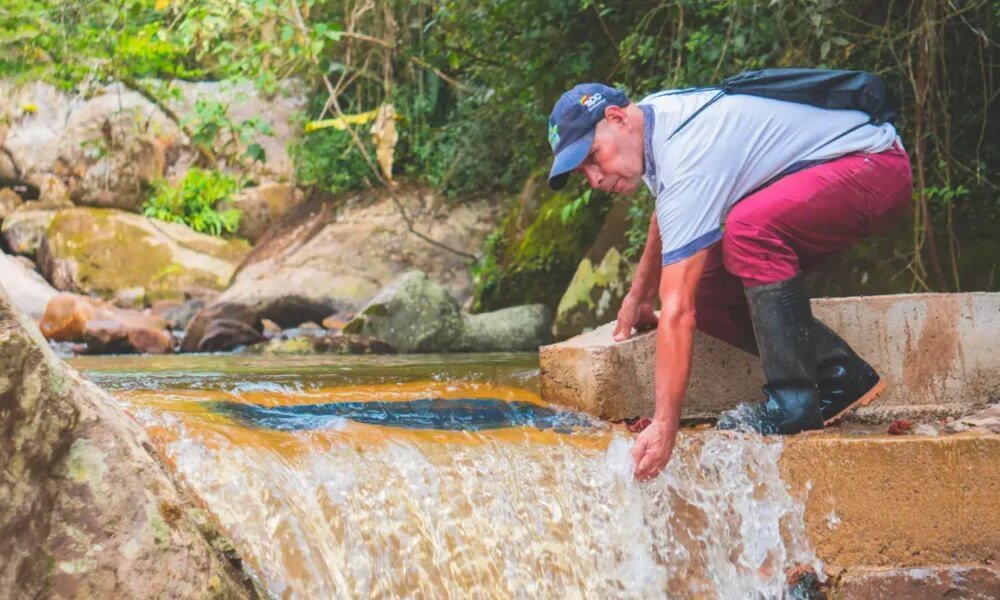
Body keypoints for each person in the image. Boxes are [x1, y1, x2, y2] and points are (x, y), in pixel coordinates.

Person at [546, 82, 912, 480]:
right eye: (584, 172)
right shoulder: (652, 123)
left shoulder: (686, 151)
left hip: (873, 167)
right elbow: (665, 214)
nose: (595, 179)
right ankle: (840, 374)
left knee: (748, 229)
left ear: (617, 118)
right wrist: (639, 294)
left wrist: (665, 425)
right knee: (707, 288)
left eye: (594, 157)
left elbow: (679, 313)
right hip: (836, 176)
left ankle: (794, 402)